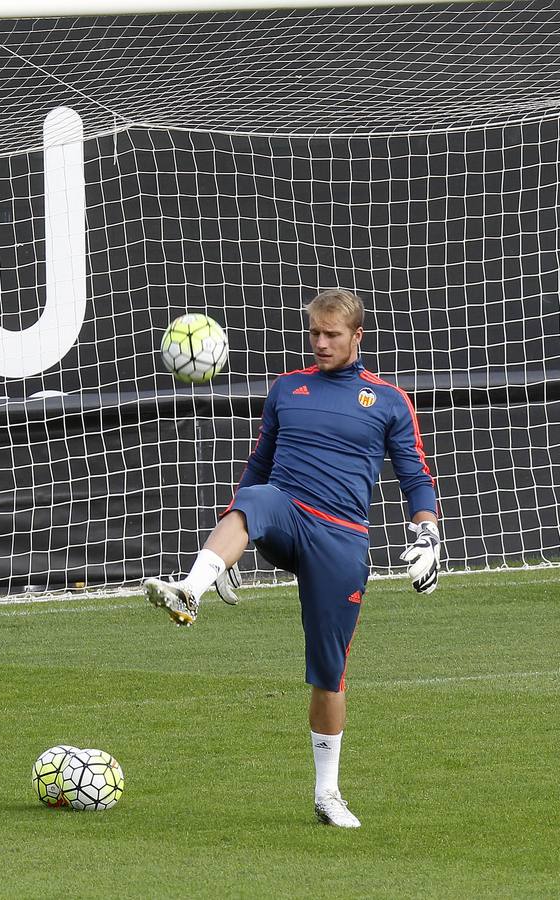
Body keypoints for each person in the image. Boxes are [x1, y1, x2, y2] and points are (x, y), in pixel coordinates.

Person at [144, 288, 440, 828]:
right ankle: (194, 586)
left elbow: (415, 475)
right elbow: (259, 465)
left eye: (332, 334)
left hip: (341, 539)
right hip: (285, 511)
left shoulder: (390, 401)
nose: (321, 343)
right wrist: (235, 530)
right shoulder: (287, 389)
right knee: (256, 498)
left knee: (330, 674)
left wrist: (428, 536)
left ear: (357, 337)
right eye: (314, 333)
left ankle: (327, 794)